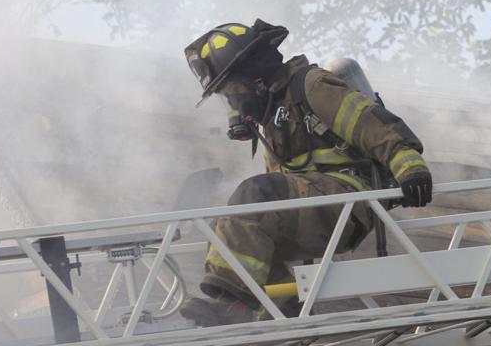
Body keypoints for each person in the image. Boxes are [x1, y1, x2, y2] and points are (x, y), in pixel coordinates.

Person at [180, 20, 433, 325]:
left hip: (349, 202)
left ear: (255, 76)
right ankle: (286, 308)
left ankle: (235, 304)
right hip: (316, 208)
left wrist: (410, 168)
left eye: (232, 90)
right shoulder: (273, 119)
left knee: (254, 196)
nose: (232, 103)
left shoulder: (312, 86)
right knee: (226, 225)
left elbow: (372, 126)